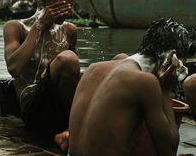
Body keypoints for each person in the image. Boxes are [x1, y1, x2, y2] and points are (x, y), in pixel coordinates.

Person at [68, 18, 195, 156]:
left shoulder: (94, 68)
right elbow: (169, 152)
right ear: (172, 59)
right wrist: (166, 90)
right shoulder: (145, 82)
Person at [3, 0, 80, 148]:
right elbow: (14, 69)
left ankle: (73, 127)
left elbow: (73, 77)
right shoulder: (16, 28)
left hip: (62, 111)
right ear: (43, 1)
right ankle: (74, 129)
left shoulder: (69, 31)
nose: (65, 13)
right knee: (67, 59)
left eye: (70, 6)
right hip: (34, 112)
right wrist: (39, 26)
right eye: (60, 7)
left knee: (115, 64)